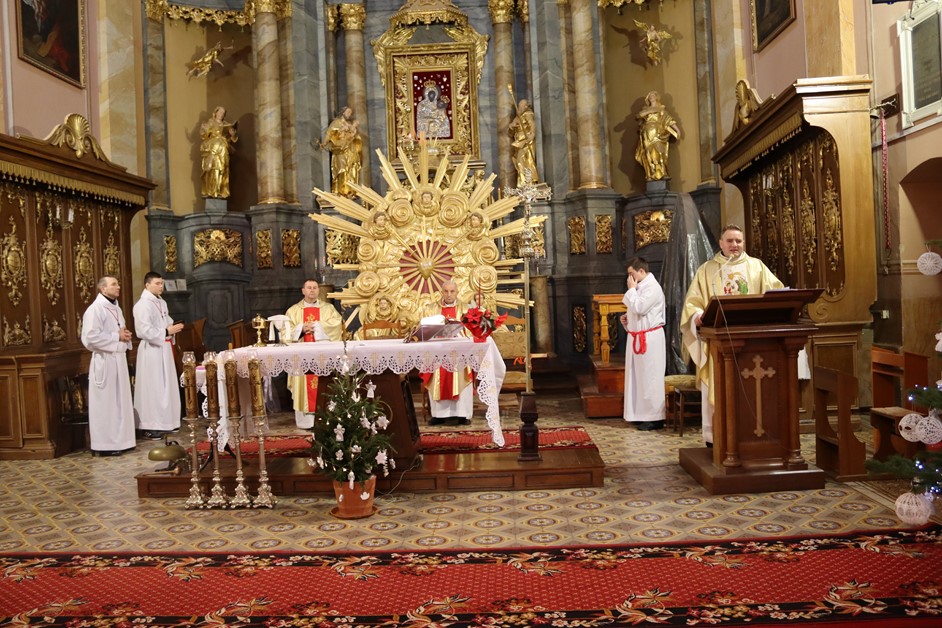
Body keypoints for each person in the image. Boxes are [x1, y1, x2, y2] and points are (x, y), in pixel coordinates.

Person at [681, 225, 784, 446]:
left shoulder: (757, 267)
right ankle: (715, 438)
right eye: (730, 241)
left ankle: (752, 434)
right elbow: (693, 303)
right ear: (721, 243)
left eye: (738, 241)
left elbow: (776, 294)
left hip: (753, 344)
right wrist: (696, 316)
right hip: (717, 344)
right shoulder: (707, 270)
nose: (735, 245)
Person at [81, 276, 135, 456]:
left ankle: (122, 440)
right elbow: (90, 338)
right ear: (103, 289)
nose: (118, 287)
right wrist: (116, 337)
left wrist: (125, 335)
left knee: (120, 402)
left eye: (118, 284)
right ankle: (105, 444)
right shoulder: (95, 309)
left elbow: (119, 331)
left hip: (118, 359)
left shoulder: (116, 308)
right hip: (104, 361)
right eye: (114, 284)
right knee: (106, 404)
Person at [132, 272, 184, 440]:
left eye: (162, 283)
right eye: (157, 283)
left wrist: (172, 329)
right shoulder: (142, 305)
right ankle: (151, 425)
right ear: (147, 285)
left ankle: (167, 421)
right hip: (151, 351)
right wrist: (167, 331)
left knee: (166, 386)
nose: (161, 286)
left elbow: (166, 322)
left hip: (164, 348)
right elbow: (143, 330)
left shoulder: (161, 302)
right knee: (153, 387)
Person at [285, 279, 343, 429]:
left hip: (323, 357)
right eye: (309, 288)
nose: (312, 290)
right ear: (303, 291)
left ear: (318, 290)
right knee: (304, 386)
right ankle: (306, 422)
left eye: (315, 288)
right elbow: (285, 332)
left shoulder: (328, 309)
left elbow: (337, 325)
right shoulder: (293, 311)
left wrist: (317, 326)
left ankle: (326, 418)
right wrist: (301, 329)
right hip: (301, 358)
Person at [619, 257, 666, 430]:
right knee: (639, 378)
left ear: (641, 271)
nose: (630, 278)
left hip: (650, 340)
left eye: (632, 274)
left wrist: (631, 290)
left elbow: (640, 307)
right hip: (638, 337)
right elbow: (637, 312)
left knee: (650, 377)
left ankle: (655, 418)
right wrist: (627, 320)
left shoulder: (652, 287)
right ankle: (641, 414)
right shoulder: (640, 287)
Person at [421, 280, 473, 426]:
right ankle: (439, 415)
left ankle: (462, 414)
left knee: (461, 377)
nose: (449, 294)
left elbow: (471, 330)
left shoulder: (466, 308)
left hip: (460, 353)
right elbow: (423, 329)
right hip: (437, 353)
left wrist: (458, 330)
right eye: (446, 291)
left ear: (457, 292)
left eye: (452, 291)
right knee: (437, 378)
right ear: (441, 292)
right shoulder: (430, 309)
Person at [635, 91, 680, 181]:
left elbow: (668, 120)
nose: (651, 97)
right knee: (648, 154)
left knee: (660, 153)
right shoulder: (645, 109)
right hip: (647, 134)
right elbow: (637, 116)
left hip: (658, 133)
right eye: (649, 96)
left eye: (653, 96)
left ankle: (663, 173)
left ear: (656, 97)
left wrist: (677, 130)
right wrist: (649, 111)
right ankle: (650, 174)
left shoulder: (661, 109)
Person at [321, 106, 363, 198]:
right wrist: (324, 142)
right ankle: (341, 191)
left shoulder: (349, 124)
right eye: (348, 112)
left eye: (350, 113)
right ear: (343, 112)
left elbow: (354, 136)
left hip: (350, 150)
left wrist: (353, 129)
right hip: (341, 151)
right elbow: (330, 133)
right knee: (342, 169)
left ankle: (350, 191)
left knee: (351, 169)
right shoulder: (336, 122)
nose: (349, 115)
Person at [200, 105, 238, 198]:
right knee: (213, 168)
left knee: (223, 169)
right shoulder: (210, 122)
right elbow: (204, 135)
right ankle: (211, 190)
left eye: (223, 113)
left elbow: (233, 140)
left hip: (223, 150)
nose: (222, 114)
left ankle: (221, 190)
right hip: (212, 149)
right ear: (215, 113)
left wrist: (232, 135)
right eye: (220, 112)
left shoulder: (226, 124)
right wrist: (204, 129)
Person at [509, 99, 539, 184]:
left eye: (520, 106)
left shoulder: (528, 114)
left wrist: (532, 133)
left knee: (523, 160)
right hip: (518, 142)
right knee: (517, 160)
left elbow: (532, 124)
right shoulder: (517, 117)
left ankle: (527, 182)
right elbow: (510, 133)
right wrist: (511, 126)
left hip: (526, 140)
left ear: (526, 106)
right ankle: (523, 181)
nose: (519, 108)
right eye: (518, 106)